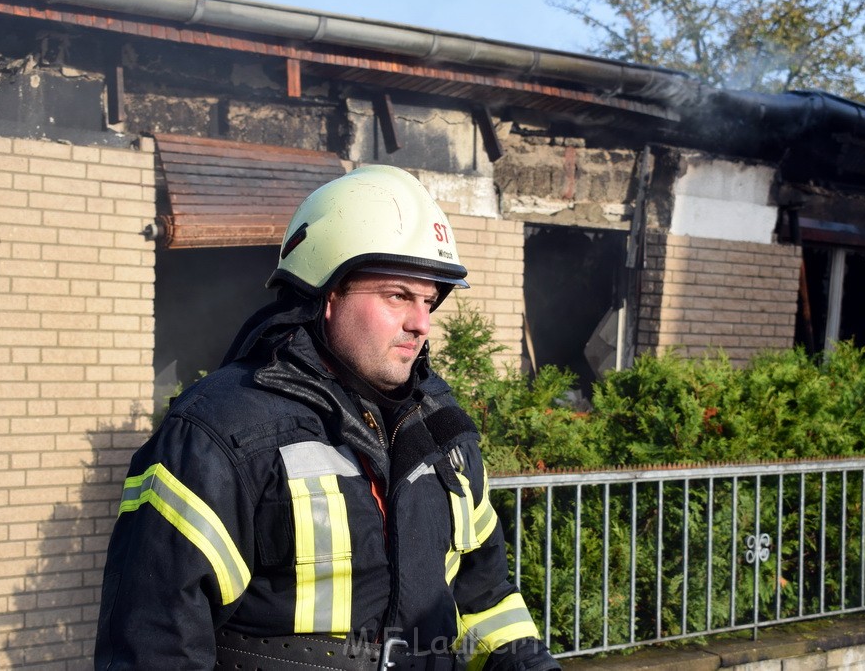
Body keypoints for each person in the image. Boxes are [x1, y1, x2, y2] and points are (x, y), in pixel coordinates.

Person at [94, 165, 560, 671]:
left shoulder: (443, 430)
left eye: (429, 300)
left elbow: (484, 597)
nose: (421, 323)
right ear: (327, 293)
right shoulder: (215, 435)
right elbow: (158, 646)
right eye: (398, 295)